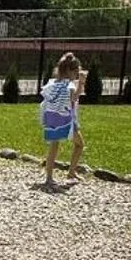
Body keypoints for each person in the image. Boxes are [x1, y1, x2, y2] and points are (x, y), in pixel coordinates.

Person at [39, 52, 85, 188]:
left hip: (52, 119)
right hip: (66, 120)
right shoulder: (70, 85)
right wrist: (81, 83)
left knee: (54, 147)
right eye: (76, 72)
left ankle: (49, 177)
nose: (77, 74)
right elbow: (73, 99)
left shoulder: (52, 83)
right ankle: (71, 172)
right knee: (79, 145)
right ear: (70, 71)